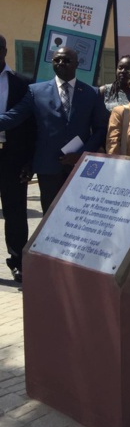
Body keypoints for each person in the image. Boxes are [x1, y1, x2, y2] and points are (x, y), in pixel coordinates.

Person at [0, 46, 108, 212]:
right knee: (50, 218)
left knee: (78, 215)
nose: (61, 63)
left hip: (79, 166)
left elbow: (100, 129)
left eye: (66, 60)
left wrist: (82, 155)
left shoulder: (91, 93)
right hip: (48, 167)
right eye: (57, 60)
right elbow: (14, 116)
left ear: (76, 63)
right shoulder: (36, 91)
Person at [0, 34, 35, 283]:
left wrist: (28, 162)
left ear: (3, 51)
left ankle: (18, 262)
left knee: (15, 212)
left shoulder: (23, 84)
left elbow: (33, 126)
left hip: (12, 158)